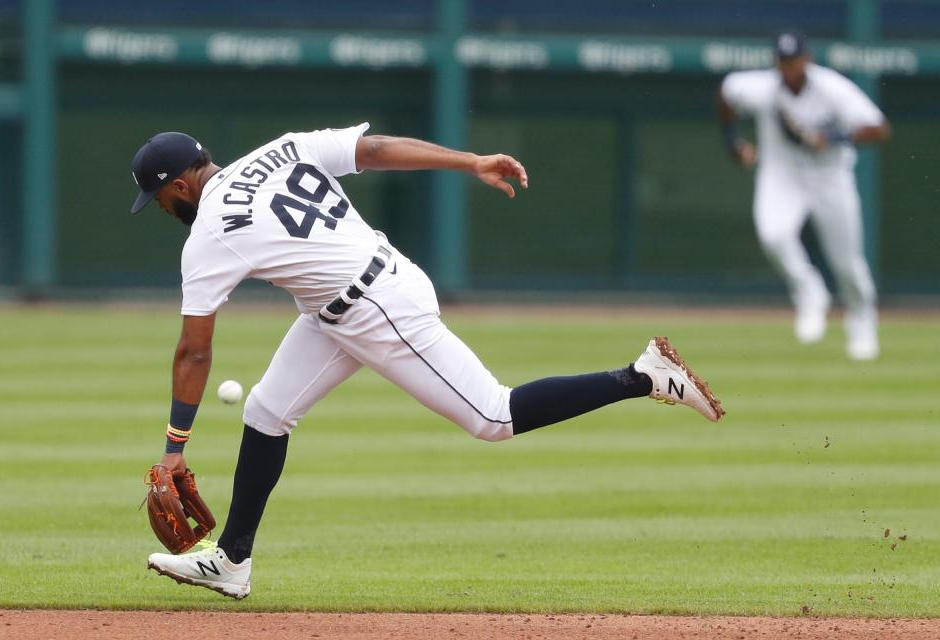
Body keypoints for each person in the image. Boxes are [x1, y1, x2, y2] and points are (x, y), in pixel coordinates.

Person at [130, 124, 724, 599]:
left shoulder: (208, 231)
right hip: (352, 297)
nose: (158, 208)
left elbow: (195, 349)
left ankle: (643, 375)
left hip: (377, 310)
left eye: (156, 197)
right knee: (265, 410)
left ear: (178, 185)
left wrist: (174, 446)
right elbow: (377, 148)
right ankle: (233, 562)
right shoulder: (281, 149)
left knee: (494, 417)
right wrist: (470, 162)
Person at [716, 30, 891, 360]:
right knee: (773, 235)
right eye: (783, 62)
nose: (789, 69)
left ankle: (862, 322)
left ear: (807, 59)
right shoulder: (763, 88)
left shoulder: (832, 88)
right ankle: (810, 292)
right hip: (781, 176)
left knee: (847, 262)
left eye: (794, 61)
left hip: (831, 178)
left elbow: (879, 128)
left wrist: (834, 137)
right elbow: (726, 94)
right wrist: (732, 143)